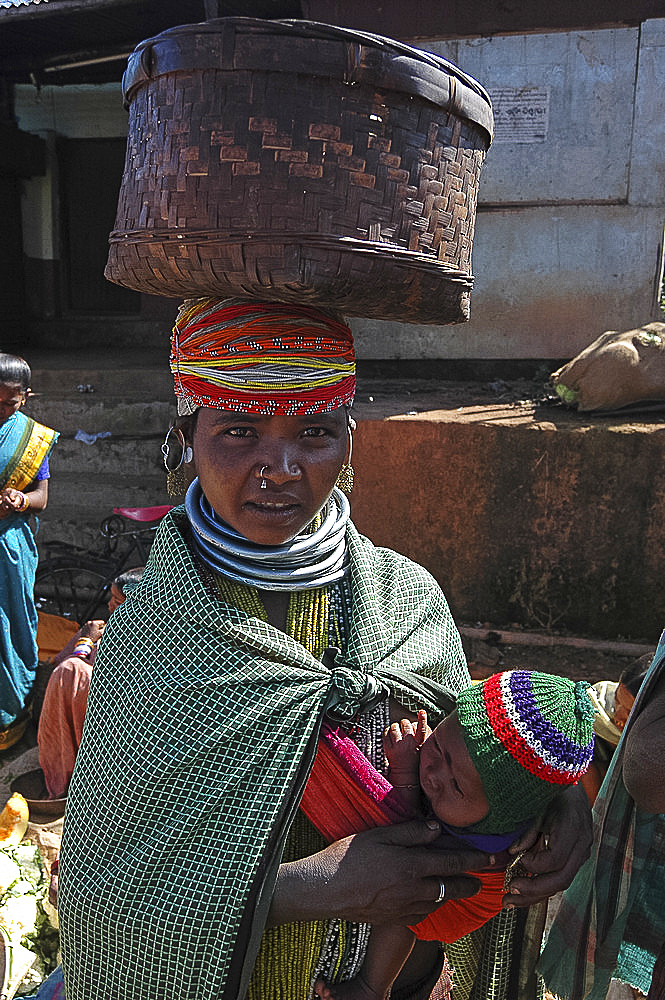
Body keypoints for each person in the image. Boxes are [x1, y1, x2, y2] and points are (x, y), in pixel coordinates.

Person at [57, 297, 593, 1000]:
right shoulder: (155, 634)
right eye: (239, 430)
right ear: (184, 437)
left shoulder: (406, 598)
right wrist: (308, 890)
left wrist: (550, 800)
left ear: (347, 440)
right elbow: (106, 896)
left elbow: (472, 745)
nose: (278, 467)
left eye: (314, 431)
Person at [312, 670, 596, 1000]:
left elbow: (405, 833)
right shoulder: (476, 793)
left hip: (452, 903)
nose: (433, 775)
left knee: (404, 905)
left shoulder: (483, 840)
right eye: (439, 747)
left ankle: (372, 987)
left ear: (499, 815)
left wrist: (405, 770)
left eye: (456, 786)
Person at [538, 635, 665, 999]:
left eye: (632, 712)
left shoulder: (648, 744)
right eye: (620, 707)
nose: (619, 717)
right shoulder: (596, 720)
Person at [37, 567, 145, 798]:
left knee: (71, 672)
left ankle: (73, 770)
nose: (109, 606)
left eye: (117, 601)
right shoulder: (112, 631)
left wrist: (86, 640)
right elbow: (61, 660)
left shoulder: (137, 638)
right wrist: (85, 637)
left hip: (114, 720)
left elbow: (74, 669)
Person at [0, 353, 58, 749]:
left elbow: (42, 496)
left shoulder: (33, 438)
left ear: (26, 397)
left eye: (12, 401)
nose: (3, 408)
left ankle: (10, 725)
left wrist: (22, 500)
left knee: (13, 627)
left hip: (11, 550)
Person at [581, 654, 651, 804]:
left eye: (628, 712)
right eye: (617, 700)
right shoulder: (593, 709)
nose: (617, 714)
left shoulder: (653, 745)